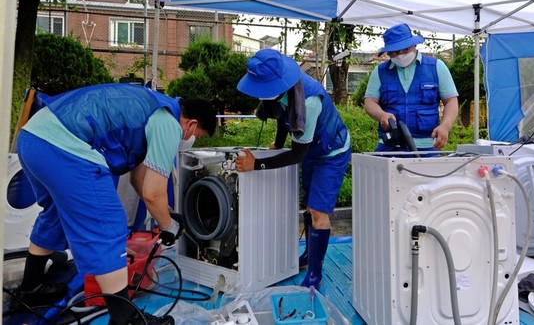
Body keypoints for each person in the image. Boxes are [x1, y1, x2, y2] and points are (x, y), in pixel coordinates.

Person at [15, 83, 217, 325]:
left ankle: (31, 287)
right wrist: (169, 226)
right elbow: (154, 193)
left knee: (56, 214)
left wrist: (166, 217)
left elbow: (140, 180)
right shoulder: (169, 122)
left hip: (33, 138)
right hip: (64, 146)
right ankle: (127, 318)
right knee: (107, 222)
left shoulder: (153, 106)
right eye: (199, 137)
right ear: (192, 124)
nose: (193, 140)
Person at [234, 49, 351, 290]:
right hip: (312, 148)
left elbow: (298, 154)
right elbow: (282, 118)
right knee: (309, 205)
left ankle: (315, 275)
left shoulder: (308, 100)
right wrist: (277, 144)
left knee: (318, 211)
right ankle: (310, 254)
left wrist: (257, 164)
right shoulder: (282, 91)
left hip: (331, 152)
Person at [364, 23, 459, 154]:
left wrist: (445, 126)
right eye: (394, 52)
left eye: (405, 49)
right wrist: (382, 115)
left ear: (414, 45)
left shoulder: (437, 67)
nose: (400, 55)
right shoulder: (380, 71)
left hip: (427, 146)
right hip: (390, 146)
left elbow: (450, 100)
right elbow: (370, 103)